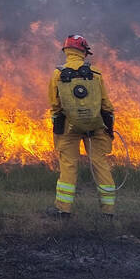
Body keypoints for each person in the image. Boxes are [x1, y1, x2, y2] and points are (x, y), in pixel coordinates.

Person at [46, 35, 117, 218]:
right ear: (84, 51)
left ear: (67, 51)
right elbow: (106, 104)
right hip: (95, 125)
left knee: (69, 165)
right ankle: (108, 211)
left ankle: (63, 210)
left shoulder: (57, 74)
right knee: (99, 163)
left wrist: (59, 125)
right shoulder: (95, 73)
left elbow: (55, 105)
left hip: (68, 127)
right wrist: (108, 126)